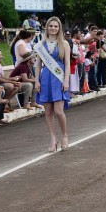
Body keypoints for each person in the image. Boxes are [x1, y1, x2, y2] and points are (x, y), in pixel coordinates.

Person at [34, 16, 71, 153]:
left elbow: (67, 63)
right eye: (51, 26)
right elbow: (38, 65)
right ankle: (53, 138)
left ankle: (64, 135)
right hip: (45, 78)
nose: (53, 28)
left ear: (59, 28)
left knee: (59, 111)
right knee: (48, 111)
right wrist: (37, 80)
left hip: (58, 77)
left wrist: (66, 80)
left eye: (56, 26)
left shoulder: (64, 43)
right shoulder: (41, 44)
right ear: (47, 27)